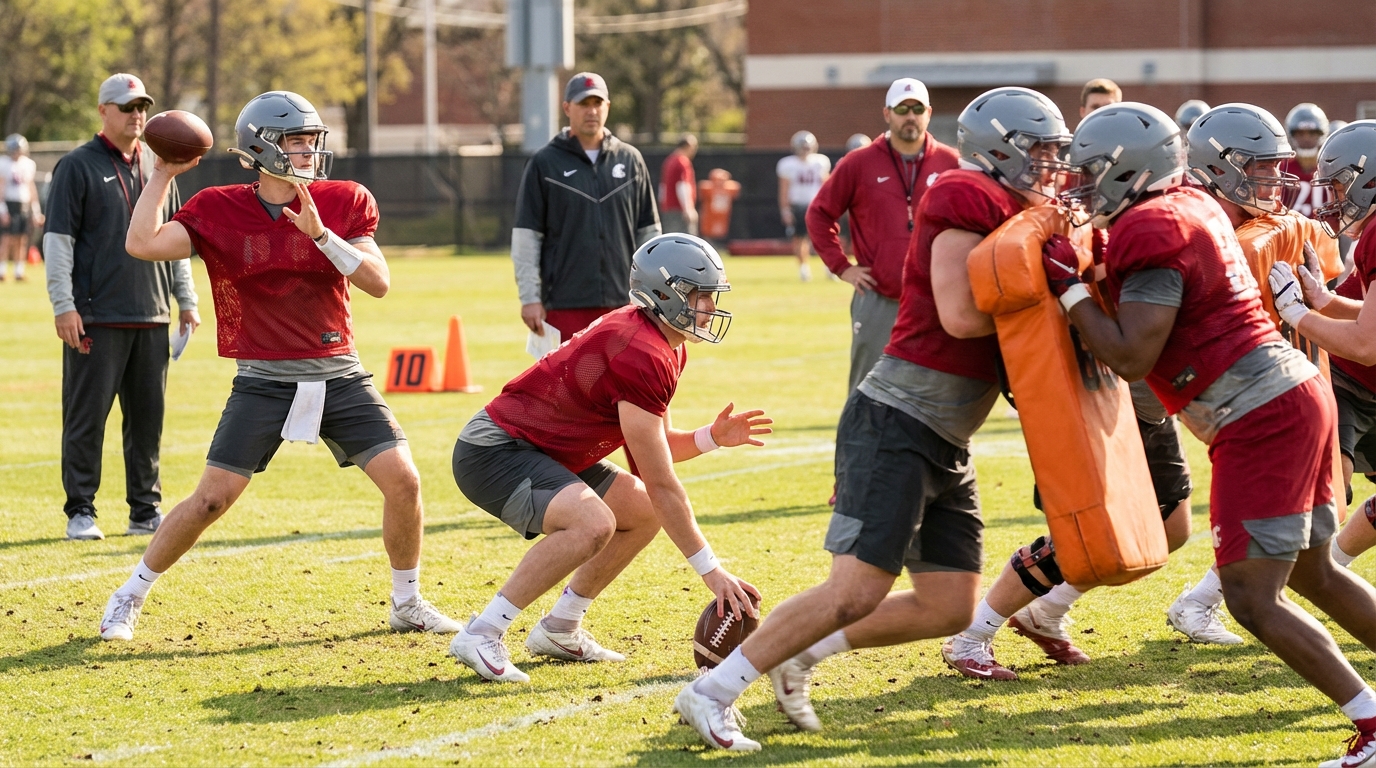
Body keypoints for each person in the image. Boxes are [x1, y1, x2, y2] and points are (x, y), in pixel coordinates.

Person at [673, 87, 1071, 752]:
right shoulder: (962, 195)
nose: (1051, 165)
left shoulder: (1023, 209)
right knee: (855, 589)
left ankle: (802, 652)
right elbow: (962, 317)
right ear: (1001, 151)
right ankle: (711, 692)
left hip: (947, 436)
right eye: (1041, 151)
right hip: (898, 421)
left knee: (948, 606)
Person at [1045, 102, 1376, 768]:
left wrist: (1069, 292)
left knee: (1253, 598)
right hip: (1293, 392)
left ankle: (1371, 725)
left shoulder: (1154, 226)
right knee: (1315, 575)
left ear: (1125, 171)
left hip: (1259, 412)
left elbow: (1134, 355)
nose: (1080, 187)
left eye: (1089, 173)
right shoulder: (1189, 209)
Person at [95, 90, 459, 642]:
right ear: (262, 148)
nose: (309, 150)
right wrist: (163, 174)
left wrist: (321, 236)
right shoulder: (220, 207)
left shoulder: (343, 199)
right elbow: (142, 242)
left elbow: (378, 282)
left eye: (312, 139)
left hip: (338, 371)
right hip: (263, 380)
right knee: (211, 499)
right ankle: (130, 594)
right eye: (296, 140)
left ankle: (406, 602)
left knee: (405, 482)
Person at [448, 234, 769, 683]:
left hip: (548, 448)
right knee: (593, 523)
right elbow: (661, 482)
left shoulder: (665, 344)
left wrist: (711, 438)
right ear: (666, 294)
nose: (710, 308)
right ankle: (483, 632)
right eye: (701, 296)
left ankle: (560, 627)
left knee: (639, 511)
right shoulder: (640, 351)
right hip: (497, 449)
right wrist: (712, 572)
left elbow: (656, 452)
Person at [43, 73, 199, 542]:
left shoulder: (158, 166)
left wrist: (186, 300)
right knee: (87, 418)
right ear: (103, 111)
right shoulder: (77, 166)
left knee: (148, 421)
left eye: (142, 107)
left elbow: (174, 238)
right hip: (97, 317)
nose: (137, 115)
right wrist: (63, 304)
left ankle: (144, 511)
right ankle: (81, 511)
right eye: (127, 106)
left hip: (152, 317)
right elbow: (57, 242)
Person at [808, 77, 958, 394]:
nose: (910, 115)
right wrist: (841, 266)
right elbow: (819, 214)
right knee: (867, 387)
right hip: (879, 296)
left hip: (936, 297)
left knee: (939, 387)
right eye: (902, 108)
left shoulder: (951, 163)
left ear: (928, 113)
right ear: (887, 114)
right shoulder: (859, 163)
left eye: (917, 108)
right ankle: (859, 444)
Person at [1274, 121, 1376, 572]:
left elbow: (1367, 343)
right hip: (1350, 382)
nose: (1334, 199)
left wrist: (1299, 314)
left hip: (1361, 369)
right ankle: (1208, 598)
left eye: (1338, 186)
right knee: (1325, 494)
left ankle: (1327, 573)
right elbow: (1368, 326)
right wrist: (1324, 300)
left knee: (1322, 500)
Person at [511, 72, 660, 342]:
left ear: (607, 107)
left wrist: (655, 292)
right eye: (583, 103)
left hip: (625, 304)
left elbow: (650, 236)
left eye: (597, 103)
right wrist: (530, 297)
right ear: (567, 107)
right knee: (567, 384)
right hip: (563, 305)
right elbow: (526, 238)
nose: (591, 111)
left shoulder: (631, 161)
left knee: (620, 384)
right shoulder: (544, 164)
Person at [777, 130, 831, 281]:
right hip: (798, 206)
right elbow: (784, 190)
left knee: (823, 238)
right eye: (802, 147)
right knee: (800, 239)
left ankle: (829, 267)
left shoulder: (820, 162)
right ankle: (804, 269)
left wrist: (829, 206)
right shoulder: (788, 164)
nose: (805, 150)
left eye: (807, 147)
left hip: (816, 205)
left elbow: (826, 186)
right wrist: (785, 210)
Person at [1, 134, 42, 282]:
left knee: (22, 239)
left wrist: (36, 211)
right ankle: (2, 271)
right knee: (6, 239)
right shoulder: (4, 164)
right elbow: (1, 188)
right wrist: (3, 210)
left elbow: (31, 188)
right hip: (9, 204)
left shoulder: (28, 164)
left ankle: (19, 272)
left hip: (23, 204)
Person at [1280, 102, 1331, 217]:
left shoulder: (1331, 168)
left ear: (1321, 134)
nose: (1306, 139)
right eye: (1300, 133)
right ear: (1292, 135)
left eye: (1312, 133)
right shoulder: (1282, 168)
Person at [659, 134, 698, 236]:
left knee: (671, 240)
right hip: (679, 210)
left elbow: (663, 186)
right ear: (688, 146)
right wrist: (688, 209)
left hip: (668, 208)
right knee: (687, 243)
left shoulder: (669, 160)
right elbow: (682, 186)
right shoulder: (682, 162)